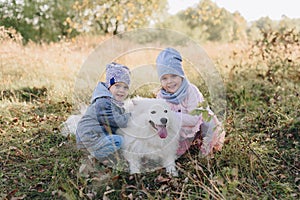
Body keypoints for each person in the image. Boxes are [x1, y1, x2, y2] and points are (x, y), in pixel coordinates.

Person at [156, 47, 225, 156]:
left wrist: (171, 116)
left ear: (181, 75)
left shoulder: (190, 90)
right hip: (180, 130)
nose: (169, 81)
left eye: (173, 75)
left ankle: (206, 152)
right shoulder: (161, 96)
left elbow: (194, 119)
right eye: (164, 78)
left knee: (209, 122)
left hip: (199, 124)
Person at [76, 62, 131, 163]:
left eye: (125, 87)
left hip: (97, 134)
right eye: (117, 86)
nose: (121, 90)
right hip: (90, 136)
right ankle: (95, 155)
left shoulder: (114, 102)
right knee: (119, 141)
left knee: (120, 139)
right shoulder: (103, 102)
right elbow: (116, 120)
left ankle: (101, 149)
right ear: (109, 85)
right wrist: (130, 117)